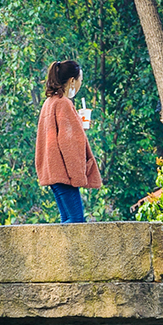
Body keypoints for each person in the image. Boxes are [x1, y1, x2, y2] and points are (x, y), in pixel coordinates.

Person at [35, 59, 102, 222]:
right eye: (80, 80)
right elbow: (69, 144)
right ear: (72, 80)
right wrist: (78, 176)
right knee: (77, 221)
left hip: (53, 172)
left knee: (67, 220)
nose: (80, 84)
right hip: (64, 173)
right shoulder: (64, 104)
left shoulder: (49, 103)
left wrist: (77, 124)